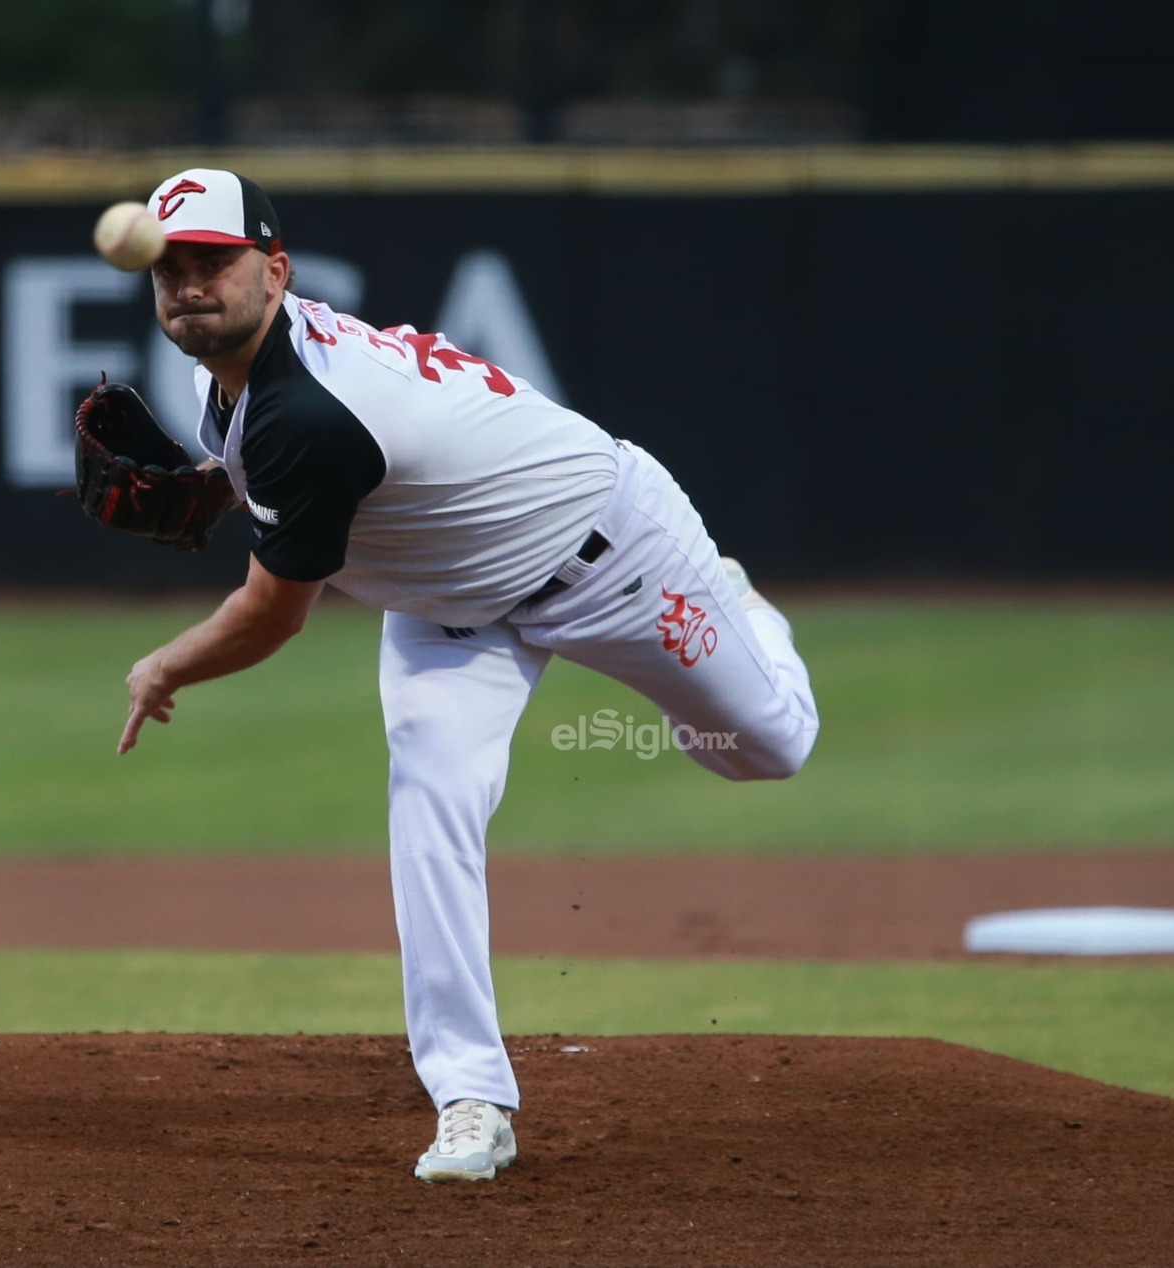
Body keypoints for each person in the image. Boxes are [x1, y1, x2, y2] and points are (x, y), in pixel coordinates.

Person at [118, 168, 821, 1182]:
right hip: (447, 608)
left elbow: (272, 615)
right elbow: (294, 474)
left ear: (275, 270)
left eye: (213, 262)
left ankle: (741, 607)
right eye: (171, 267)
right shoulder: (227, 378)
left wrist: (163, 665)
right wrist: (218, 488)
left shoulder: (307, 411)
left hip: (612, 556)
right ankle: (471, 1098)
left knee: (766, 748)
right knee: (431, 797)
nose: (189, 284)